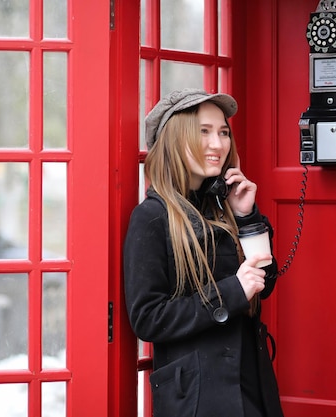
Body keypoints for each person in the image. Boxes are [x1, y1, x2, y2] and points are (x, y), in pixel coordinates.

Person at [124, 88, 284, 417]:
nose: (218, 144)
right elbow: (147, 318)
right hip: (198, 398)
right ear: (174, 139)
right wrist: (230, 293)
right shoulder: (152, 217)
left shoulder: (223, 208)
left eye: (223, 132)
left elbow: (264, 283)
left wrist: (247, 218)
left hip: (251, 387)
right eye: (204, 132)